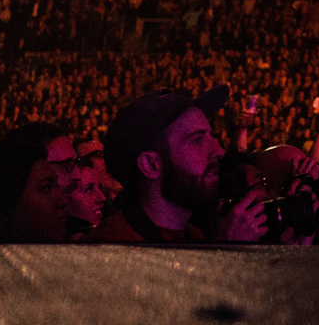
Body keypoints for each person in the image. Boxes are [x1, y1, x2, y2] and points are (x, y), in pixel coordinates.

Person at [91, 84, 266, 244]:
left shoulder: (194, 236)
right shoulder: (114, 248)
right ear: (150, 165)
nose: (219, 151)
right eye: (197, 140)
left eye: (209, 136)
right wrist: (227, 253)